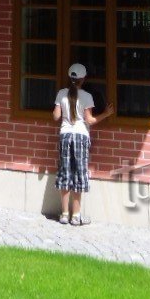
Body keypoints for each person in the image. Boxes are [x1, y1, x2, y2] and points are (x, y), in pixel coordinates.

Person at [53, 63, 115, 225]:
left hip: (65, 135)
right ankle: (76, 216)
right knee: (79, 174)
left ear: (70, 77)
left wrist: (58, 107)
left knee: (65, 173)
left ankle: (64, 214)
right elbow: (90, 120)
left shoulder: (61, 94)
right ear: (83, 79)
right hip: (80, 136)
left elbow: (55, 117)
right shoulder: (87, 96)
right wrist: (106, 114)